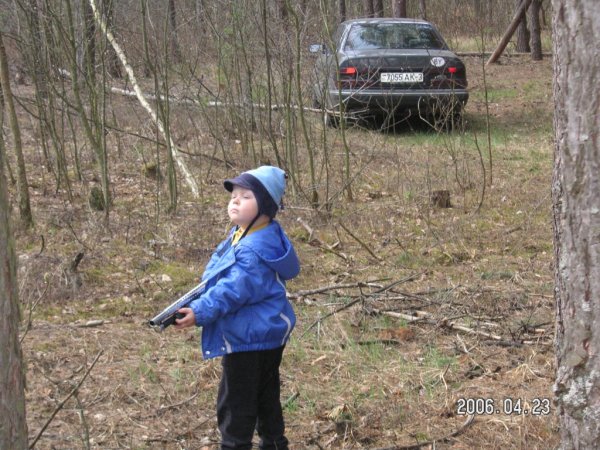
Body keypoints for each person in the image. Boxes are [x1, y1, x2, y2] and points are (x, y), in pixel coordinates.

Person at [175, 166, 300, 450]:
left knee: (236, 402)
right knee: (266, 395)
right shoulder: (252, 233)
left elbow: (231, 290)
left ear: (265, 206)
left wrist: (199, 312)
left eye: (246, 196)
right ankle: (274, 443)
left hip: (247, 337)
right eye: (233, 195)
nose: (235, 200)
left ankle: (234, 445)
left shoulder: (252, 249)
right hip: (266, 332)